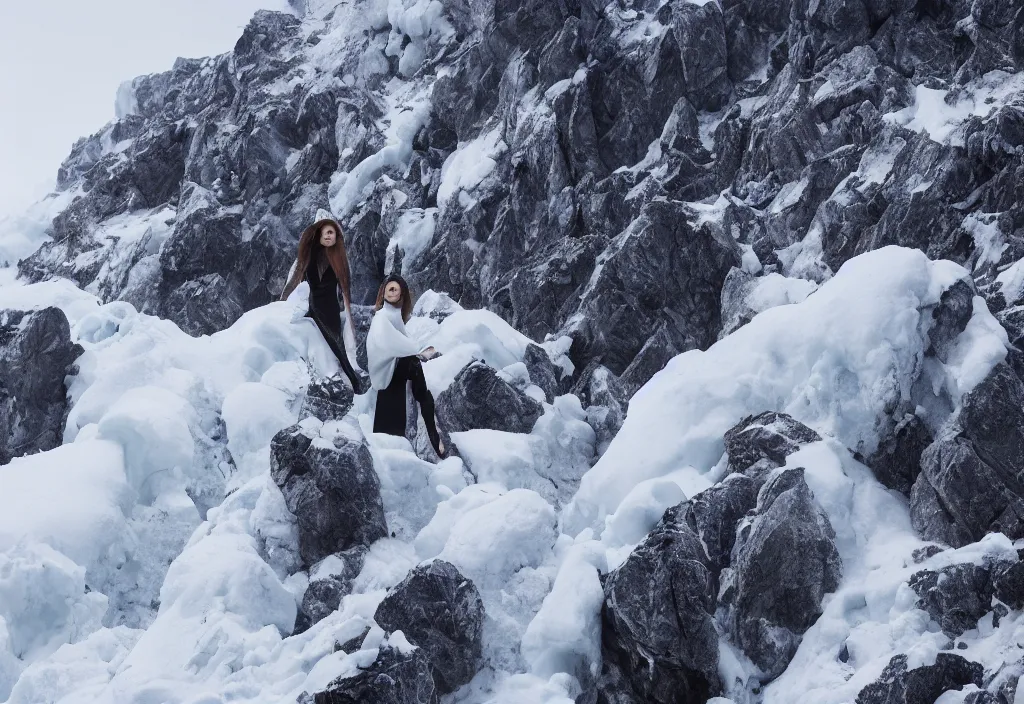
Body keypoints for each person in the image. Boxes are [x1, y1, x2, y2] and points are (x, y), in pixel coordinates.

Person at [280, 209, 364, 393]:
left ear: (336, 237)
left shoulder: (341, 260)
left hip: (330, 309)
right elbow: (294, 281)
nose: (328, 235)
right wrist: (283, 304)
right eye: (325, 232)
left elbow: (346, 290)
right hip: (312, 307)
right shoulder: (306, 257)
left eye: (331, 232)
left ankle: (354, 383)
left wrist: (349, 317)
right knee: (315, 345)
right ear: (318, 234)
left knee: (335, 345)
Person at [366, 274, 446, 458]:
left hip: (394, 369)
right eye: (390, 288)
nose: (394, 291)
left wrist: (412, 351)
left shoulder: (394, 316)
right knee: (414, 365)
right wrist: (415, 350)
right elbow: (389, 343)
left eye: (397, 288)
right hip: (386, 372)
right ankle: (430, 423)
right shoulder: (382, 317)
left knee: (413, 366)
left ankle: (428, 418)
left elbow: (402, 342)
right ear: (383, 291)